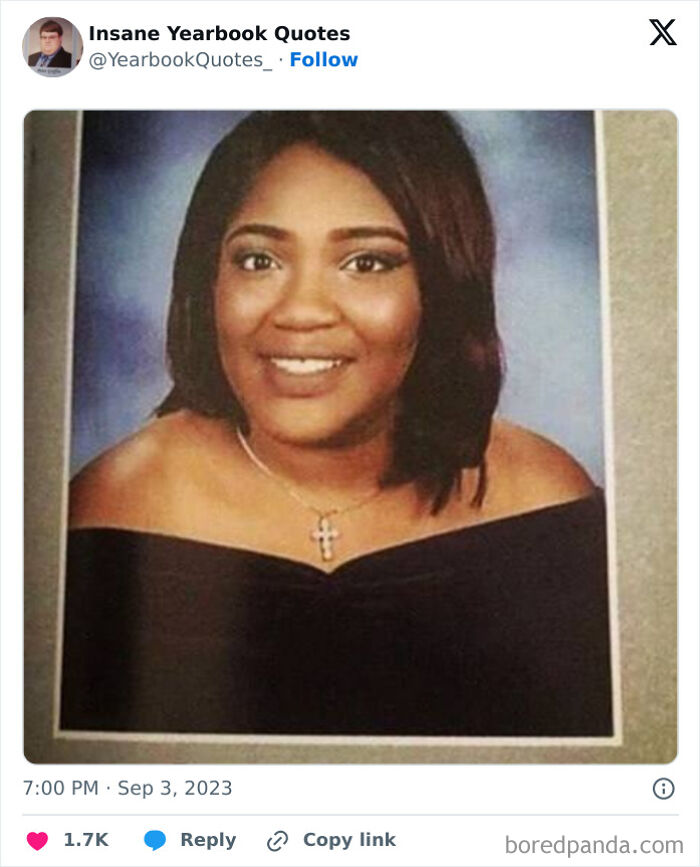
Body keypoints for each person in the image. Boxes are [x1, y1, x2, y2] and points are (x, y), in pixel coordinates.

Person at [61, 111, 612, 737]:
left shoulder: (543, 499)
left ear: (439, 288)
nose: (301, 312)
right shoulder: (114, 508)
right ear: (206, 281)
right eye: (259, 259)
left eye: (367, 264)